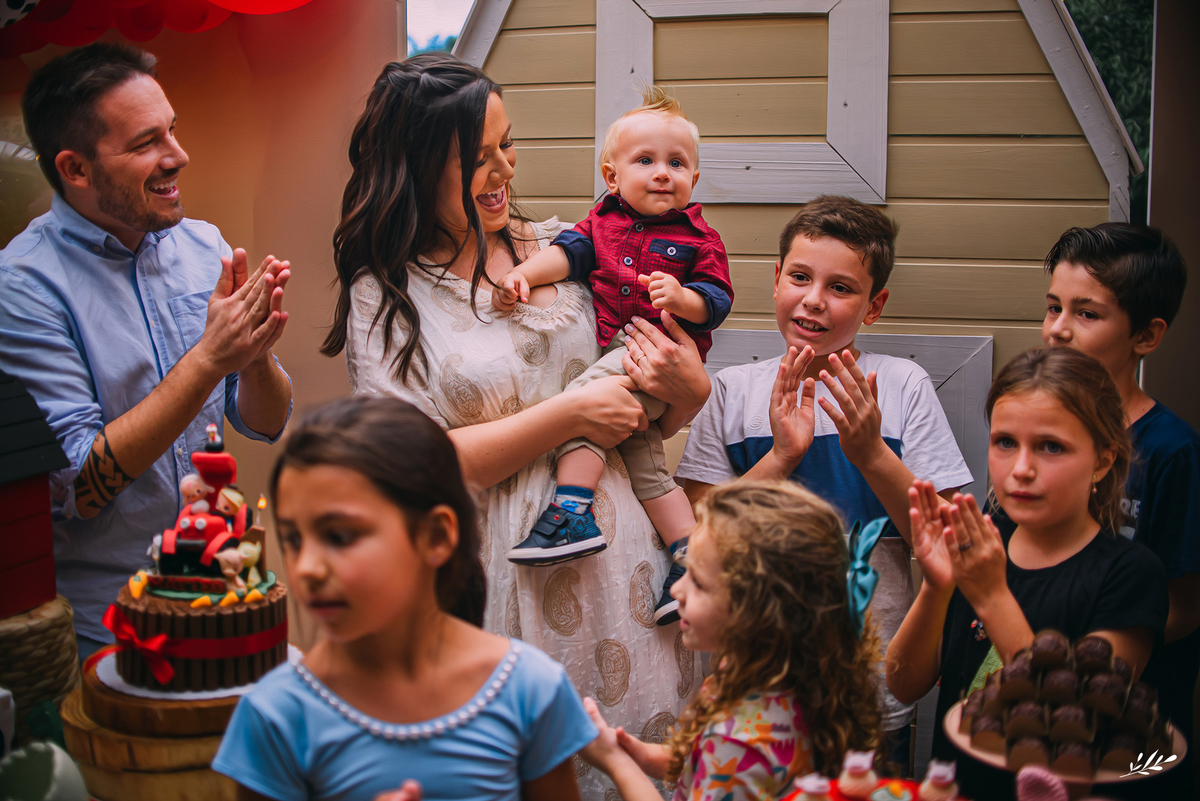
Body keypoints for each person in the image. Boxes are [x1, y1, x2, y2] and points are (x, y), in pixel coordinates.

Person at [323, 53, 708, 800]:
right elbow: (410, 467)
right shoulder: (387, 295)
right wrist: (569, 414)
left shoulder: (569, 248)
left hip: (632, 577)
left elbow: (644, 415)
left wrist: (689, 391)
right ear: (417, 165)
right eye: (478, 157)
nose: (503, 170)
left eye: (508, 144)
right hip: (500, 582)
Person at [0, 43, 292, 658]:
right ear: (76, 169)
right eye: (145, 143)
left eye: (172, 130)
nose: (177, 155)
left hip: (217, 598)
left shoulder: (204, 247)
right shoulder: (23, 287)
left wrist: (254, 355)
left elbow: (266, 423)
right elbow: (79, 487)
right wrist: (209, 359)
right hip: (107, 628)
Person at [675, 195, 972, 771]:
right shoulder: (733, 392)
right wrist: (782, 456)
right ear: (776, 279)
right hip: (753, 690)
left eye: (840, 287)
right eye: (800, 277)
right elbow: (698, 533)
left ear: (874, 305)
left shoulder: (901, 386)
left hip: (871, 692)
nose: (814, 300)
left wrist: (872, 454)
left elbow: (945, 541)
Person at [212, 397, 597, 801]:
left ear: (436, 537)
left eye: (339, 536)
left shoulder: (529, 691)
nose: (305, 567)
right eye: (293, 539)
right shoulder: (276, 715)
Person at [491, 87, 733, 625]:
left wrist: (684, 299)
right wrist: (521, 275)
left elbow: (717, 300)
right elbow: (565, 256)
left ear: (694, 178)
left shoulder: (700, 239)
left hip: (654, 351)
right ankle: (691, 564)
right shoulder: (600, 224)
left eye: (677, 163)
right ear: (612, 176)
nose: (663, 173)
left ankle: (572, 511)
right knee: (649, 468)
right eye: (645, 160)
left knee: (582, 403)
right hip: (626, 357)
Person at [886, 347, 1169, 801]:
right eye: (1005, 442)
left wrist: (992, 596)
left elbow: (1077, 726)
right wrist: (936, 589)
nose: (1021, 469)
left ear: (1102, 461)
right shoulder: (983, 541)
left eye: (1051, 446)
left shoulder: (1129, 575)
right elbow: (903, 685)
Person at [579, 480, 883, 800]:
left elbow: (725, 760)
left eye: (698, 581)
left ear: (758, 610)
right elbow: (703, 763)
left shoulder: (738, 741)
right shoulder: (793, 675)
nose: (677, 590)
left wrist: (614, 763)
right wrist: (635, 754)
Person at [1041, 223, 1199, 799]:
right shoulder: (1036, 435)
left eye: (1086, 313)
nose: (1058, 329)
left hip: (1133, 732)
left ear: (1146, 335)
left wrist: (1093, 655)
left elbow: (1186, 604)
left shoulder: (1172, 451)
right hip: (1037, 716)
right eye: (1053, 307)